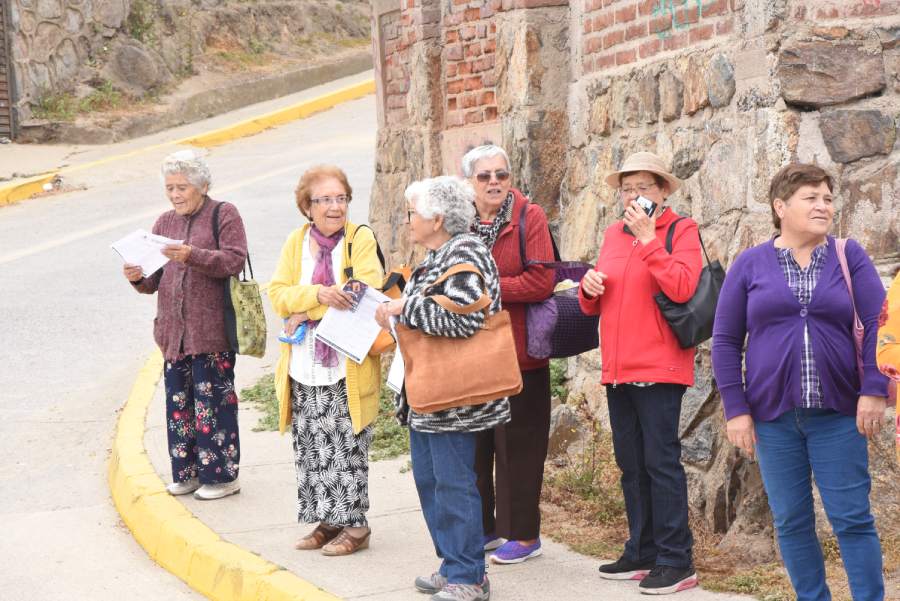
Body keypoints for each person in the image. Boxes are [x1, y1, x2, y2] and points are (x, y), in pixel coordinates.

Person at [711, 163, 889, 601]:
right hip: (773, 418)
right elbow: (726, 340)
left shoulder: (850, 256)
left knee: (852, 518)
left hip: (839, 416)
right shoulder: (750, 264)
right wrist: (736, 410)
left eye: (827, 198)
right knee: (791, 520)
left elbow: (879, 324)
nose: (823, 205)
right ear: (780, 207)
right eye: (811, 198)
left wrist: (873, 390)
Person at [375, 176, 509, 601]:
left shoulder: (466, 250)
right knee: (431, 481)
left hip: (453, 399)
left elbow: (464, 319)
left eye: (413, 212)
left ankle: (469, 575)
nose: (408, 220)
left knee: (453, 484)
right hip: (428, 394)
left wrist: (404, 307)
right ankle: (454, 564)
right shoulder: (438, 253)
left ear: (436, 218)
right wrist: (396, 314)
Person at [578, 151, 701, 594]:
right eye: (627, 189)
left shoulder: (681, 230)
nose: (633, 196)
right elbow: (599, 298)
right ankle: (643, 548)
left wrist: (650, 240)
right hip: (617, 366)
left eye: (642, 187)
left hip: (660, 365)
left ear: (662, 191)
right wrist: (589, 290)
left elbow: (683, 286)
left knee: (660, 462)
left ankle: (676, 558)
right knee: (631, 464)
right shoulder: (613, 233)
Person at [268, 165, 383, 556]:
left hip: (345, 363)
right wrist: (317, 296)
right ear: (308, 206)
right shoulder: (295, 241)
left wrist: (308, 309)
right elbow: (279, 294)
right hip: (303, 362)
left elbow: (363, 294)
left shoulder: (360, 239)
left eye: (341, 198)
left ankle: (356, 526)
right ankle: (328, 519)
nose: (335, 207)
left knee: (347, 445)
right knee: (314, 444)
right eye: (326, 200)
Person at [124, 150, 247, 501]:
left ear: (203, 186)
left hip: (212, 333)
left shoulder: (224, 214)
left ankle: (222, 477)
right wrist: (136, 276)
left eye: (182, 187)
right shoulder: (164, 223)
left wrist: (191, 255)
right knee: (178, 406)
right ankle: (188, 472)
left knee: (214, 407)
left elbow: (234, 261)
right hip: (173, 335)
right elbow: (153, 281)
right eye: (170, 188)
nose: (175, 195)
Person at [462, 145, 555, 564]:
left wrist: (485, 289)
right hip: (471, 351)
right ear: (471, 183)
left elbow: (541, 281)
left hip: (521, 353)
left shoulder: (528, 217)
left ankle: (523, 534)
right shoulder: (460, 219)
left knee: (519, 446)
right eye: (484, 176)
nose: (494, 182)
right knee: (477, 445)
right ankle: (483, 529)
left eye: (501, 174)